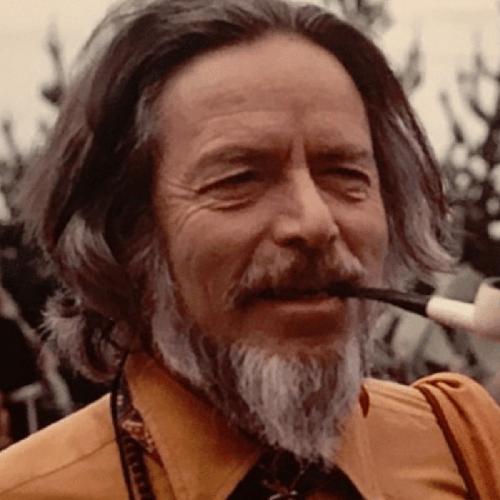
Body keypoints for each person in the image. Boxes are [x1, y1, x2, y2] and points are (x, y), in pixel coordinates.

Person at [0, 0, 498, 498]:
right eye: (239, 179)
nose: (315, 223)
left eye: (345, 174)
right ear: (127, 231)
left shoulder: (465, 449)